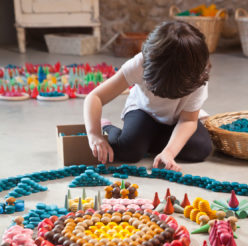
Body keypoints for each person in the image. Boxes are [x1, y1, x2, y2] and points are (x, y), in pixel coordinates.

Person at [83, 20, 213, 171]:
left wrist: (169, 152)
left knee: (201, 149)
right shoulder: (141, 64)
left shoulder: (197, 77)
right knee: (128, 151)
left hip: (176, 120)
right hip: (144, 112)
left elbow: (188, 121)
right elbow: (95, 97)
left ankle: (147, 140)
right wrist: (95, 134)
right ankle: (109, 127)